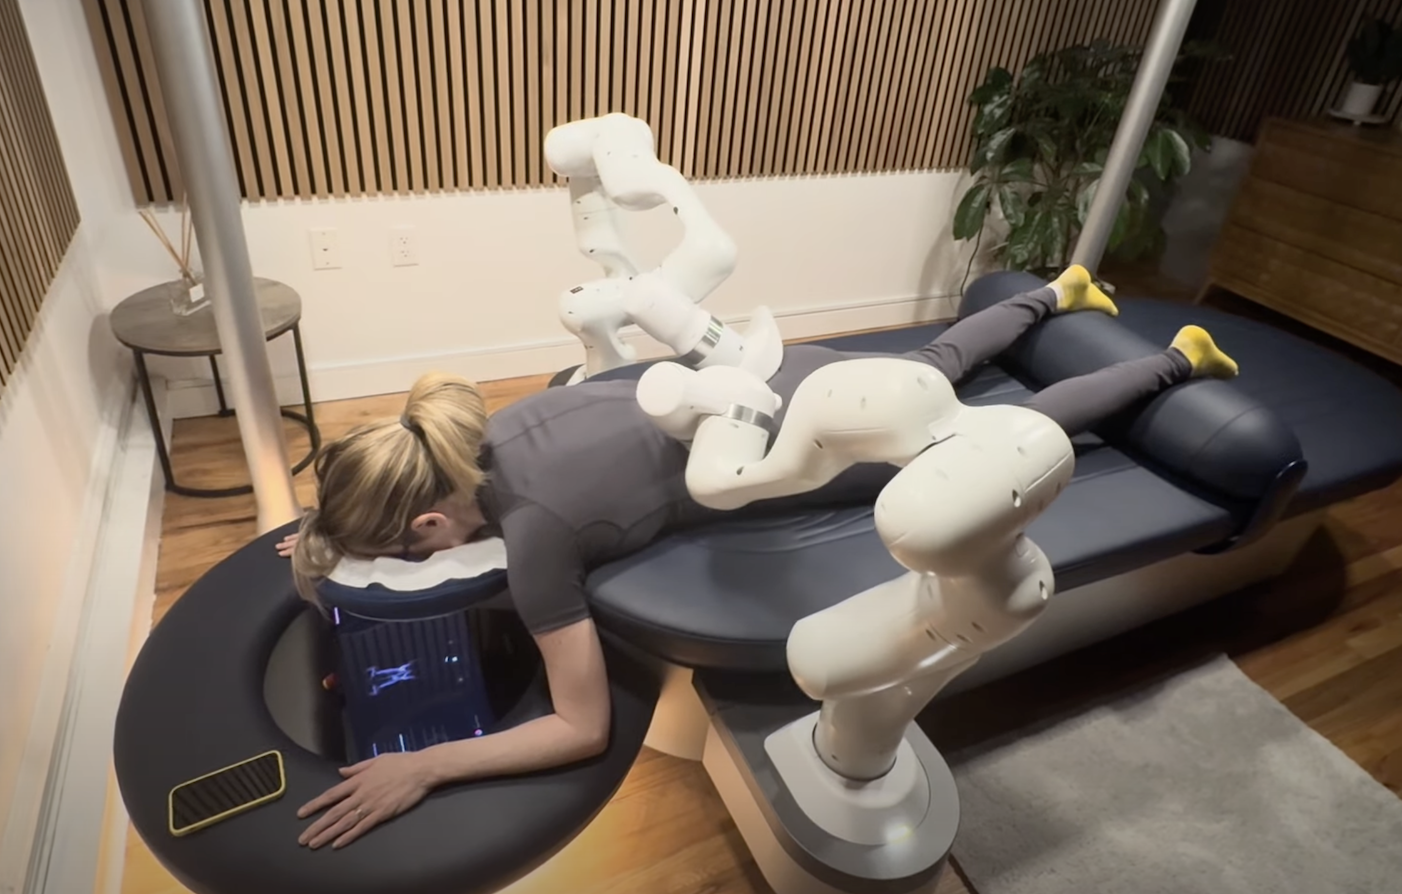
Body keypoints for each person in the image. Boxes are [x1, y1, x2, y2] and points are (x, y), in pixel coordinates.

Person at [279, 265, 1238, 849]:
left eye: (393, 556)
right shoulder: (488, 420)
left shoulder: (531, 540)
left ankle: (1178, 363)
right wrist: (326, 540)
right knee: (937, 367)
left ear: (433, 529)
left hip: (799, 451)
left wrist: (427, 767)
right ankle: (1057, 294)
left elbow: (579, 729)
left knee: (997, 431)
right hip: (772, 373)